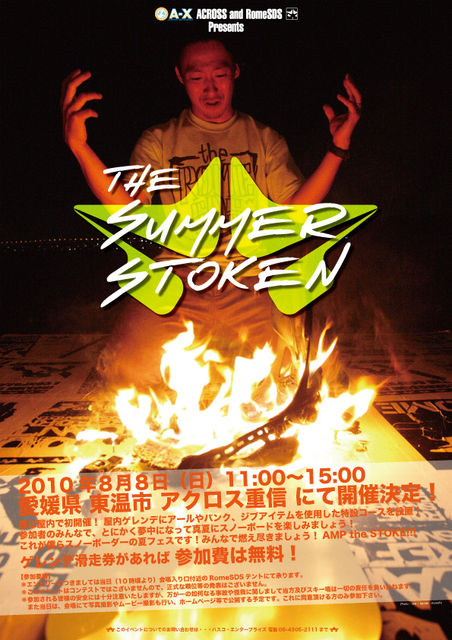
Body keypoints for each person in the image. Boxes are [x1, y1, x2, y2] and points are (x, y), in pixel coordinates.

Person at [61, 39, 362, 390]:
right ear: (180, 77)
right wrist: (80, 148)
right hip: (180, 283)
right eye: (196, 78)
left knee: (308, 373)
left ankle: (232, 362)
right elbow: (129, 209)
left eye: (219, 75)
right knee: (125, 372)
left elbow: (296, 210)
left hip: (252, 283)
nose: (210, 88)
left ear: (235, 72)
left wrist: (338, 147)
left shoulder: (264, 138)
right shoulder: (159, 139)